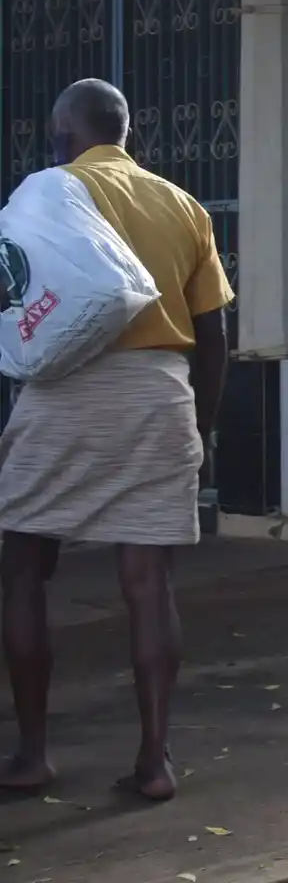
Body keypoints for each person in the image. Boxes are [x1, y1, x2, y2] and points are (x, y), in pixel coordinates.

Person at [0, 80, 230, 802]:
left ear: (65, 133)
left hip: (63, 390)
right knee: (147, 584)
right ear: (124, 133)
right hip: (157, 392)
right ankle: (156, 762)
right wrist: (202, 425)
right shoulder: (182, 205)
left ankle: (34, 754)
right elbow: (215, 336)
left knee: (24, 569)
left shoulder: (46, 193)